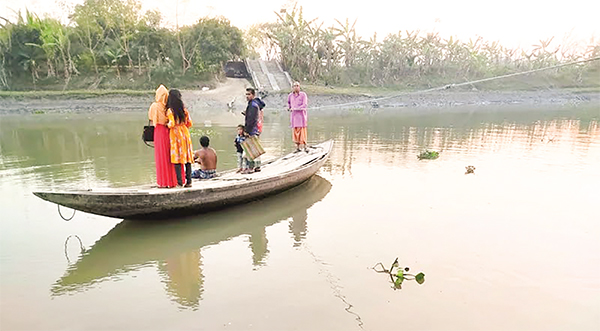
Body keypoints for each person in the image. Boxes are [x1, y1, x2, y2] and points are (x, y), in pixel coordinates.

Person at [148, 84, 178, 188]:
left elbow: (151, 118)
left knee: (161, 157)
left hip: (159, 132)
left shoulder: (154, 106)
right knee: (170, 157)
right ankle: (173, 181)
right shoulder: (169, 107)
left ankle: (163, 182)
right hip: (168, 131)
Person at [166, 89, 194, 187]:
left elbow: (172, 123)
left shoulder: (170, 111)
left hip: (175, 135)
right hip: (185, 133)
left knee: (177, 158)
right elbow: (189, 123)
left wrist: (167, 124)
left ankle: (179, 182)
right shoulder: (184, 109)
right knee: (187, 158)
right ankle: (189, 181)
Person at [242, 87, 263, 174]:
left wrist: (246, 131)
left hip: (252, 130)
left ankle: (250, 168)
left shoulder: (253, 106)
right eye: (246, 94)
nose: (247, 96)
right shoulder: (254, 104)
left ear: (253, 95)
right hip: (255, 129)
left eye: (249, 94)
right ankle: (257, 167)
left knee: (249, 150)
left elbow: (251, 120)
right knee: (255, 149)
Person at [287, 81, 308, 152]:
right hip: (294, 117)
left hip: (301, 117)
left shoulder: (303, 95)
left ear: (299, 87)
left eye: (297, 86)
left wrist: (296, 108)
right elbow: (289, 103)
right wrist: (289, 108)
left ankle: (305, 146)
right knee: (295, 132)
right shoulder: (290, 95)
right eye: (294, 86)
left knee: (302, 132)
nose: (295, 87)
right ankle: (297, 147)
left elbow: (304, 105)